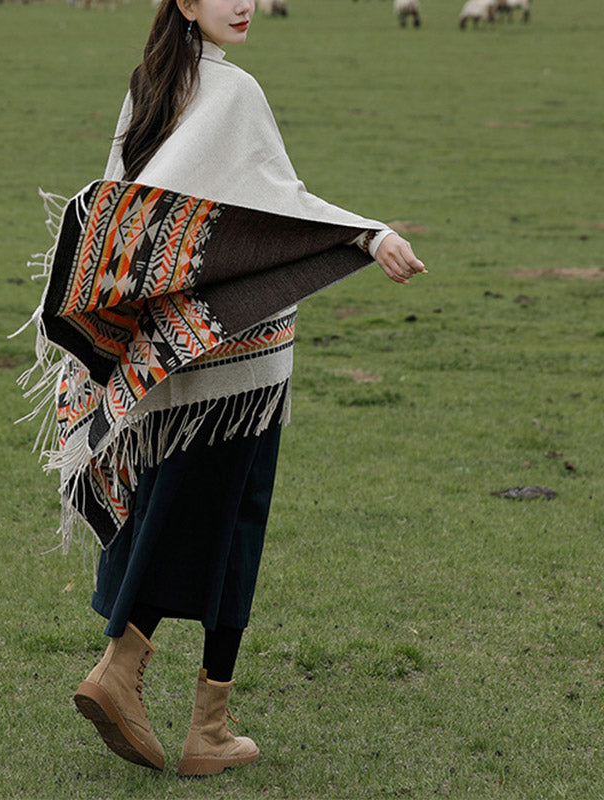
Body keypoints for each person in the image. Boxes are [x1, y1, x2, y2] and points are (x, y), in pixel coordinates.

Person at [68, 0, 426, 777]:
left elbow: (125, 212)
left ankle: (137, 678)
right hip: (242, 349)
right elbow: (283, 209)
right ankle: (190, 717)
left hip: (168, 352)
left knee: (176, 501)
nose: (244, 3)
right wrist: (368, 232)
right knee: (235, 518)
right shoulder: (236, 96)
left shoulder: (151, 86)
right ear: (186, 4)